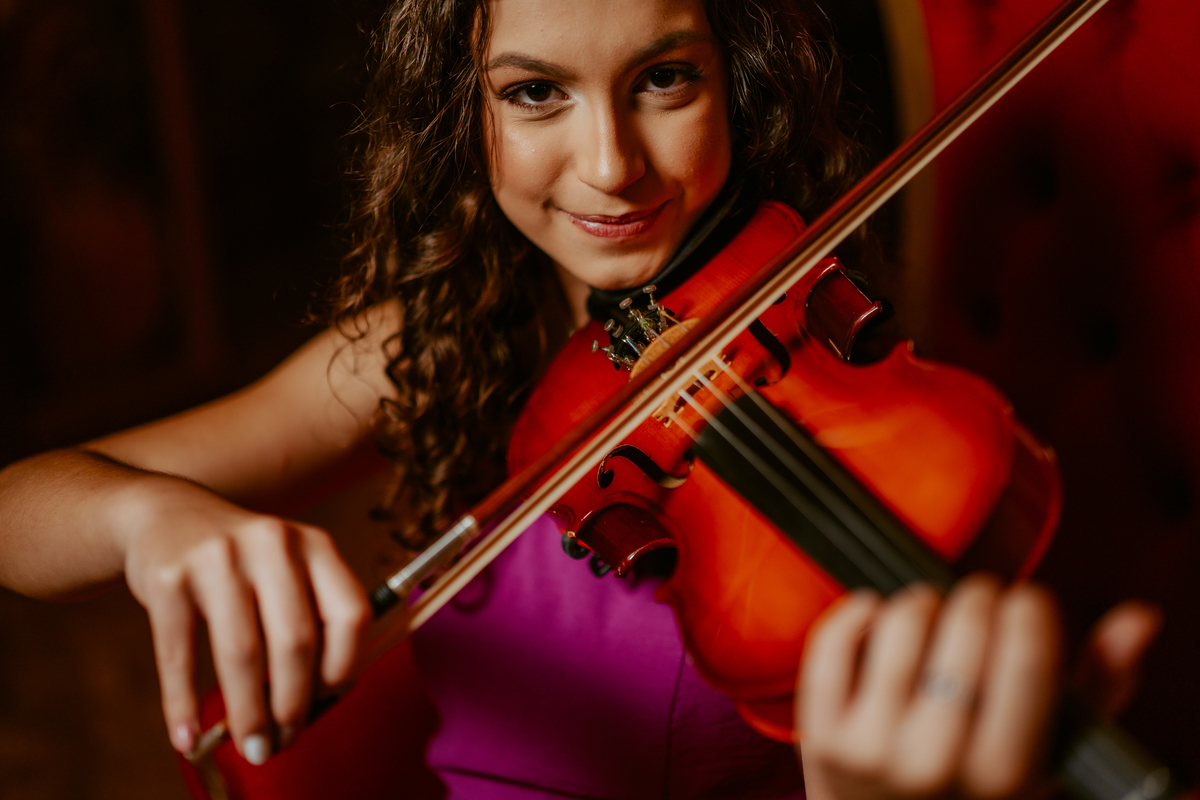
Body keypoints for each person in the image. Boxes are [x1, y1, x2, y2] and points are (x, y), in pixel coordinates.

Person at [0, 0, 1161, 797]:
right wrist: (147, 518)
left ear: (735, 80)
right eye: (537, 93)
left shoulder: (833, 342)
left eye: (662, 78)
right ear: (467, 115)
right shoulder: (436, 339)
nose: (611, 164)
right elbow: (17, 509)